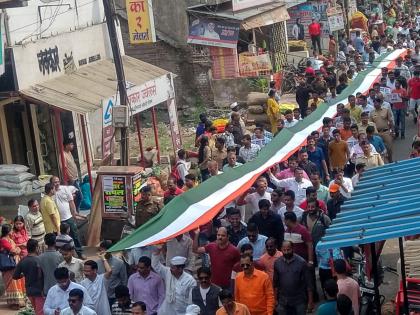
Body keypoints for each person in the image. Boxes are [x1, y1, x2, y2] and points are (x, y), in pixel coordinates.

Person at [151, 248, 196, 315]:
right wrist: (157, 252)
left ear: (180, 269)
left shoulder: (190, 280)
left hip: (182, 311)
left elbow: (191, 300)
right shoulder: (168, 272)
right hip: (167, 310)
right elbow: (156, 266)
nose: (170, 269)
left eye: (173, 268)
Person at [50, 176, 86, 259]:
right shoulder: (50, 193)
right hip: (57, 220)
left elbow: (71, 202)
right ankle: (63, 256)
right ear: (51, 183)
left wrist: (75, 213)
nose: (57, 183)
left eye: (58, 181)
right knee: (59, 239)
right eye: (55, 182)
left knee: (75, 235)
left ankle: (80, 252)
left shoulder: (65, 189)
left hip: (68, 217)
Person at [273, 241, 309, 315]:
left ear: (293, 249)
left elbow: (308, 283)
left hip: (299, 300)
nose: (286, 252)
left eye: (288, 250)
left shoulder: (301, 262)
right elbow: (276, 283)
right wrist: (275, 299)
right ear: (281, 249)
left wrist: (310, 301)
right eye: (284, 250)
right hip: (283, 300)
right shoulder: (277, 263)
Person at [13, 238, 45, 314]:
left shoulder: (23, 261)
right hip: (40, 291)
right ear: (37, 248)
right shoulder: (40, 260)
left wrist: (24, 274)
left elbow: (15, 276)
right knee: (41, 312)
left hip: (29, 291)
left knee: (37, 310)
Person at [0, 224, 26, 309]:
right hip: (8, 266)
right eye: (11, 230)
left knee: (17, 282)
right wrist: (17, 249)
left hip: (14, 265)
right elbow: (14, 250)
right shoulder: (3, 240)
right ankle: (14, 303)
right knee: (12, 284)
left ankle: (19, 302)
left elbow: (16, 250)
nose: (12, 232)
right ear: (8, 232)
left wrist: (17, 249)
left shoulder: (9, 240)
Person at [97, 240, 127, 307]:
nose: (103, 252)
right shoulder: (97, 263)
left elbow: (124, 280)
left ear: (110, 250)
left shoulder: (119, 263)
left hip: (115, 296)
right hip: (102, 296)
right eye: (101, 250)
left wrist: (123, 295)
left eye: (105, 250)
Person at [370, 96, 394, 162]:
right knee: (379, 149)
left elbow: (391, 121)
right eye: (374, 103)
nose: (375, 104)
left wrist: (392, 131)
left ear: (380, 103)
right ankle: (382, 162)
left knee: (389, 148)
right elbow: (371, 124)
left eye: (376, 103)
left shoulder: (386, 110)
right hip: (376, 133)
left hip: (386, 132)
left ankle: (390, 161)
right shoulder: (372, 113)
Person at [63, 138, 83, 210]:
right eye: (71, 144)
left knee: (76, 197)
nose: (73, 145)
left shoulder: (69, 153)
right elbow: (64, 168)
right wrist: (70, 178)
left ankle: (76, 212)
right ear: (66, 145)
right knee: (79, 197)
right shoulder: (63, 155)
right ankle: (75, 213)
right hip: (71, 180)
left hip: (75, 178)